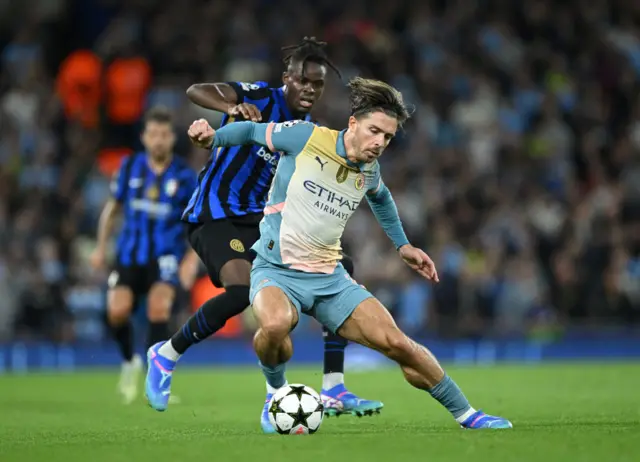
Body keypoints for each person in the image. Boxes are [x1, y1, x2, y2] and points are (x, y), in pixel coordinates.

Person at [183, 77, 513, 430]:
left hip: (330, 279)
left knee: (397, 343)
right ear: (353, 123)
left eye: (387, 137)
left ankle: (468, 414)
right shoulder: (307, 137)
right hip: (276, 270)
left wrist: (403, 246)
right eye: (374, 131)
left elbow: (382, 198)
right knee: (276, 324)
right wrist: (211, 138)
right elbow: (250, 131)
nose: (379, 143)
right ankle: (276, 394)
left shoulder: (370, 169)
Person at [145, 38, 383, 422]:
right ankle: (167, 353)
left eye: (317, 84)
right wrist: (230, 107)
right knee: (242, 292)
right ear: (286, 78)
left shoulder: (310, 131)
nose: (309, 89)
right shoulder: (258, 96)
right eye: (303, 80)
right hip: (216, 214)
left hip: (261, 220)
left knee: (341, 265)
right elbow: (196, 91)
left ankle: (334, 387)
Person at [91, 107, 198, 404]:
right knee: (117, 311)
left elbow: (197, 222)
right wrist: (100, 247)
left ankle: (157, 381)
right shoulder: (130, 167)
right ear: (144, 137)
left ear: (173, 138)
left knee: (158, 308)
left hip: (165, 255)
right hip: (128, 254)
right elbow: (112, 209)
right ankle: (129, 362)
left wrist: (191, 259)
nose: (159, 140)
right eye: (153, 134)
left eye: (164, 134)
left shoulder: (185, 176)